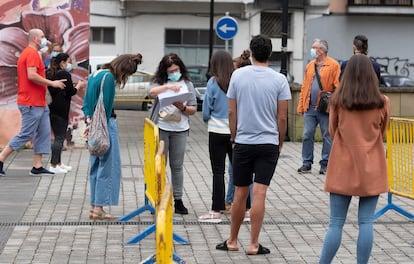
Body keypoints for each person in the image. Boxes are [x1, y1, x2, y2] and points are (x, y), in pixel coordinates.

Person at [216, 35, 291, 255]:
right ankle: (254, 244)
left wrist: (233, 135)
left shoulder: (238, 75)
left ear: (252, 51)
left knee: (240, 192)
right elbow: (283, 117)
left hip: (243, 142)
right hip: (268, 143)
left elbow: (231, 110)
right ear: (269, 54)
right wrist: (279, 141)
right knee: (259, 193)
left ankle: (232, 241)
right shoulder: (279, 80)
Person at [319, 55, 390, 264]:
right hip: (372, 165)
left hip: (342, 165)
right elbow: (382, 132)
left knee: (335, 223)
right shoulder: (382, 102)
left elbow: (332, 132)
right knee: (366, 221)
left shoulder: (338, 101)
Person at [83, 53, 143, 220]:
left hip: (92, 123)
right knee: (108, 166)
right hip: (106, 125)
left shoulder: (96, 73)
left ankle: (94, 207)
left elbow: (87, 102)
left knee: (95, 165)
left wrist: (88, 120)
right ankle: (99, 207)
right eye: (127, 75)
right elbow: (107, 107)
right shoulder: (109, 78)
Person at [0, 29, 66, 177]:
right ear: (35, 39)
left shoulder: (34, 54)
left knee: (43, 133)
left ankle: (37, 166)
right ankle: (1, 158)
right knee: (26, 134)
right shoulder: (30, 53)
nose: (45, 40)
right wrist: (52, 83)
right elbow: (31, 75)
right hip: (30, 102)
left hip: (39, 103)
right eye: (42, 37)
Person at [148, 53, 197, 215]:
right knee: (160, 164)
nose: (174, 73)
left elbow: (193, 109)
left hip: (180, 129)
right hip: (161, 127)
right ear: (165, 71)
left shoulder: (187, 84)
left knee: (177, 166)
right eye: (171, 71)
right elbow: (151, 93)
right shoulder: (159, 82)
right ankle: (159, 198)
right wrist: (168, 87)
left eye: (176, 70)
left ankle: (178, 200)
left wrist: (181, 107)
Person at [199, 50, 234, 223]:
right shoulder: (236, 81)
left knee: (218, 171)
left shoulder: (213, 82)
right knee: (240, 171)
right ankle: (247, 209)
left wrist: (208, 119)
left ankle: (216, 210)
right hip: (236, 132)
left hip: (216, 132)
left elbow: (206, 110)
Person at [297, 39, 340, 175]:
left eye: (314, 48)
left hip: (325, 108)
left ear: (321, 50)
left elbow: (337, 86)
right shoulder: (310, 65)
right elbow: (305, 86)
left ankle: (326, 163)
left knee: (327, 135)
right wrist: (300, 105)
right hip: (310, 107)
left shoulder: (333, 65)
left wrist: (333, 102)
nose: (312, 50)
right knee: (307, 135)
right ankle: (306, 163)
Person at [47, 53, 86, 173]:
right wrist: (78, 86)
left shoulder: (49, 73)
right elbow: (71, 91)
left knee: (59, 136)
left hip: (52, 108)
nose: (69, 65)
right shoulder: (64, 73)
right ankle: (54, 165)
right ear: (62, 62)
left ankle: (58, 163)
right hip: (61, 109)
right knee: (60, 137)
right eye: (67, 62)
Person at [225, 50, 253, 217]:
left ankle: (234, 202)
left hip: (241, 135)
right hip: (252, 134)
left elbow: (231, 112)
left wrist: (233, 135)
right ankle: (237, 202)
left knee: (236, 172)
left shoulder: (237, 85)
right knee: (238, 172)